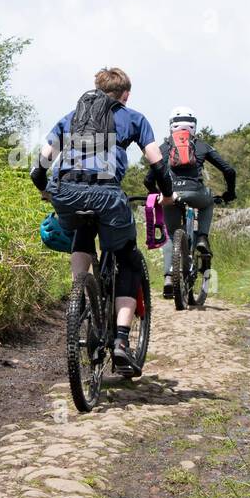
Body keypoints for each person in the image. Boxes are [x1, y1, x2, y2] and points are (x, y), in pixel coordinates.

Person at [30, 67, 173, 373]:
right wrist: (169, 196)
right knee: (128, 258)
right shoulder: (134, 118)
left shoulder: (71, 117)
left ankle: (78, 294)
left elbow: (38, 168)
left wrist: (47, 193)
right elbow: (157, 164)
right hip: (107, 195)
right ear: (126, 94)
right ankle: (121, 341)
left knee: (83, 230)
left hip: (65, 193)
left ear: (95, 89)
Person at [146, 108, 236, 300]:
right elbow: (229, 170)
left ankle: (169, 278)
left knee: (170, 235)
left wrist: (159, 194)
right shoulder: (201, 146)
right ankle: (202, 237)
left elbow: (148, 179)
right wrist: (230, 193)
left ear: (171, 126)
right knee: (208, 202)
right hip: (196, 193)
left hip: (171, 196)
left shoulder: (163, 147)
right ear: (194, 126)